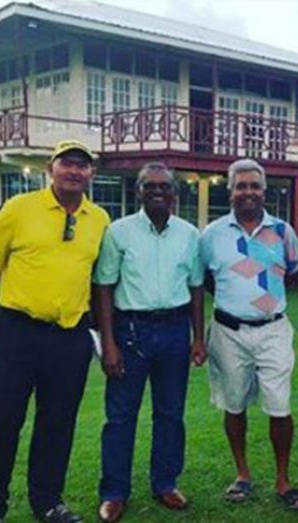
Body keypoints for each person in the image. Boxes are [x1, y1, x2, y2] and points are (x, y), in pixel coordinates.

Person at [0, 140, 110, 523]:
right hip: (15, 332)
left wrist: (104, 336)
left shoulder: (98, 219)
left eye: (83, 166)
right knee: (0, 419)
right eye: (67, 163)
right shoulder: (20, 208)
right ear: (52, 169)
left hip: (69, 337)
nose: (74, 171)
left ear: (91, 174)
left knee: (58, 423)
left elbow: (100, 281)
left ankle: (48, 501)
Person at [93, 162, 205, 522]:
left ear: (175, 193)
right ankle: (114, 492)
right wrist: (108, 343)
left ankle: (165, 483)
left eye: (165, 187)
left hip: (174, 329)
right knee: (121, 415)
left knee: (170, 413)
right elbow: (104, 288)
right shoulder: (118, 232)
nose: (158, 192)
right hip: (130, 331)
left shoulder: (189, 235)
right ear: (137, 191)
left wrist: (198, 337)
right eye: (149, 186)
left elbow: (197, 288)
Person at [200, 159, 298, 511]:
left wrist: (262, 303)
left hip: (273, 330)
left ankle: (282, 479)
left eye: (254, 186)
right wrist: (238, 304)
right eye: (240, 185)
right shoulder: (212, 235)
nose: (248, 192)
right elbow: (205, 281)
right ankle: (243, 474)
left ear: (264, 190)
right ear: (229, 190)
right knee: (234, 404)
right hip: (228, 332)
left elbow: (291, 273)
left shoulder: (282, 231)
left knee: (279, 406)